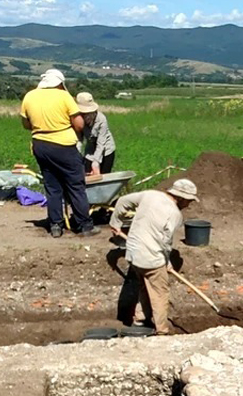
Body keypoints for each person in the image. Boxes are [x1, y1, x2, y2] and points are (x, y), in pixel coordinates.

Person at [109, 179, 199, 335]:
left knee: (145, 285)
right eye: (189, 201)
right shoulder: (175, 214)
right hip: (151, 257)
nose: (188, 205)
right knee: (160, 293)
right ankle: (162, 331)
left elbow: (123, 200)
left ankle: (140, 320)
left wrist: (115, 222)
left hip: (133, 254)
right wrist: (166, 261)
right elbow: (165, 242)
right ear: (181, 197)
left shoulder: (150, 195)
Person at [19, 68, 96, 238]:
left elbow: (26, 124)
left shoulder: (29, 96)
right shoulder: (64, 96)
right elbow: (79, 124)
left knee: (52, 187)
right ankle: (85, 225)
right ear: (60, 83)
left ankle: (55, 225)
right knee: (75, 185)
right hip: (64, 145)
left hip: (40, 145)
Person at [75, 92, 116, 176]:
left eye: (87, 113)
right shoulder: (78, 119)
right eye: (83, 113)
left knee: (103, 176)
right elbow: (79, 139)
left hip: (106, 150)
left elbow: (101, 143)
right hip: (90, 150)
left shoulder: (101, 119)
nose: (85, 116)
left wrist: (96, 161)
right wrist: (76, 155)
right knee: (87, 174)